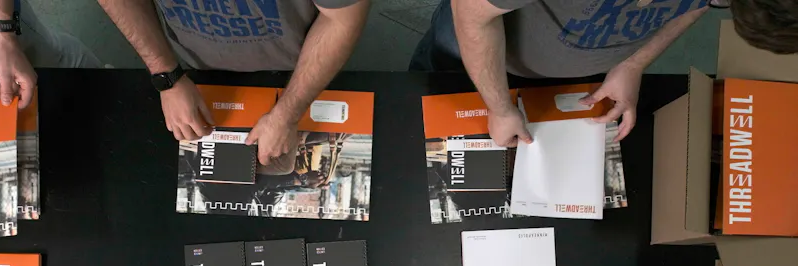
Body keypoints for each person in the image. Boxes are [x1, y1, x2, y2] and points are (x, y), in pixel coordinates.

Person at [411, 0, 798, 145]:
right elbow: (472, 15)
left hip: (564, 71)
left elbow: (698, 4)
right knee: (418, 110)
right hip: (477, 53)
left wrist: (634, 62)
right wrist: (498, 106)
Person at [96, 0, 370, 165]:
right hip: (198, 63)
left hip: (299, 61)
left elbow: (340, 19)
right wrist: (168, 77)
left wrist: (288, 112)